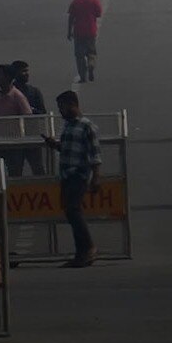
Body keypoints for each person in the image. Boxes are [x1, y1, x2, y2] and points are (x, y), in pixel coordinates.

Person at [43, 91, 101, 268]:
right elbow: (67, 149)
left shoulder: (86, 126)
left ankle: (89, 247)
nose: (60, 111)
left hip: (79, 175)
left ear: (72, 105)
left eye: (62, 107)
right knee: (70, 211)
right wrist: (54, 145)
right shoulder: (68, 126)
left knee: (73, 210)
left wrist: (96, 178)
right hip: (66, 175)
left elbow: (95, 155)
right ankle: (81, 253)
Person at [67, 0, 104, 83]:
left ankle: (83, 77)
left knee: (79, 55)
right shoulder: (94, 0)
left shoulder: (76, 1)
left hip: (78, 32)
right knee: (91, 52)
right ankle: (91, 65)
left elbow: (71, 17)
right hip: (91, 31)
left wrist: (69, 32)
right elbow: (98, 14)